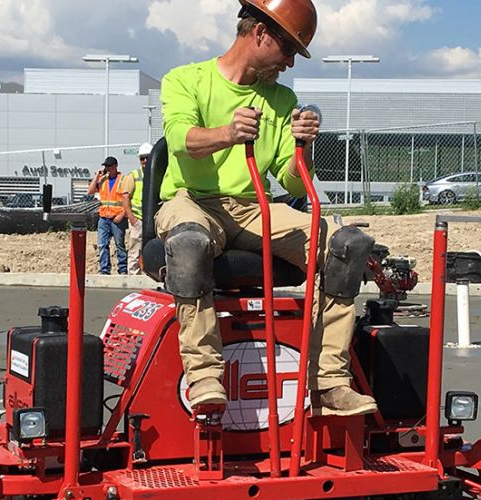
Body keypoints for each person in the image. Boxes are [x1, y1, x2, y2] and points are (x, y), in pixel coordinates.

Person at [157, 0, 377, 416]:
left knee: (344, 244)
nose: (290, 63)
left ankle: (329, 382)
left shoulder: (281, 99)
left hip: (252, 206)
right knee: (189, 241)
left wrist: (304, 147)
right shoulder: (186, 79)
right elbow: (182, 140)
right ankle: (204, 374)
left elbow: (294, 181)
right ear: (260, 33)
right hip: (191, 200)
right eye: (289, 50)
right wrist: (227, 132)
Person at [89, 156, 128, 275]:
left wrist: (122, 215)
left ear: (115, 166)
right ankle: (104, 269)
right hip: (104, 217)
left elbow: (128, 199)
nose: (107, 168)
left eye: (109, 166)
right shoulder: (102, 180)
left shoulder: (123, 180)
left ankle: (123, 269)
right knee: (102, 244)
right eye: (106, 166)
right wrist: (96, 176)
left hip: (117, 219)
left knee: (119, 245)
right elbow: (90, 191)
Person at [122, 143, 152, 274]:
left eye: (147, 157)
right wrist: (132, 218)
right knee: (135, 249)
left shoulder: (158, 173)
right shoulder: (134, 175)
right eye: (142, 158)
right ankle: (133, 275)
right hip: (138, 219)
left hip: (153, 219)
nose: (144, 161)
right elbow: (125, 198)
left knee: (152, 249)